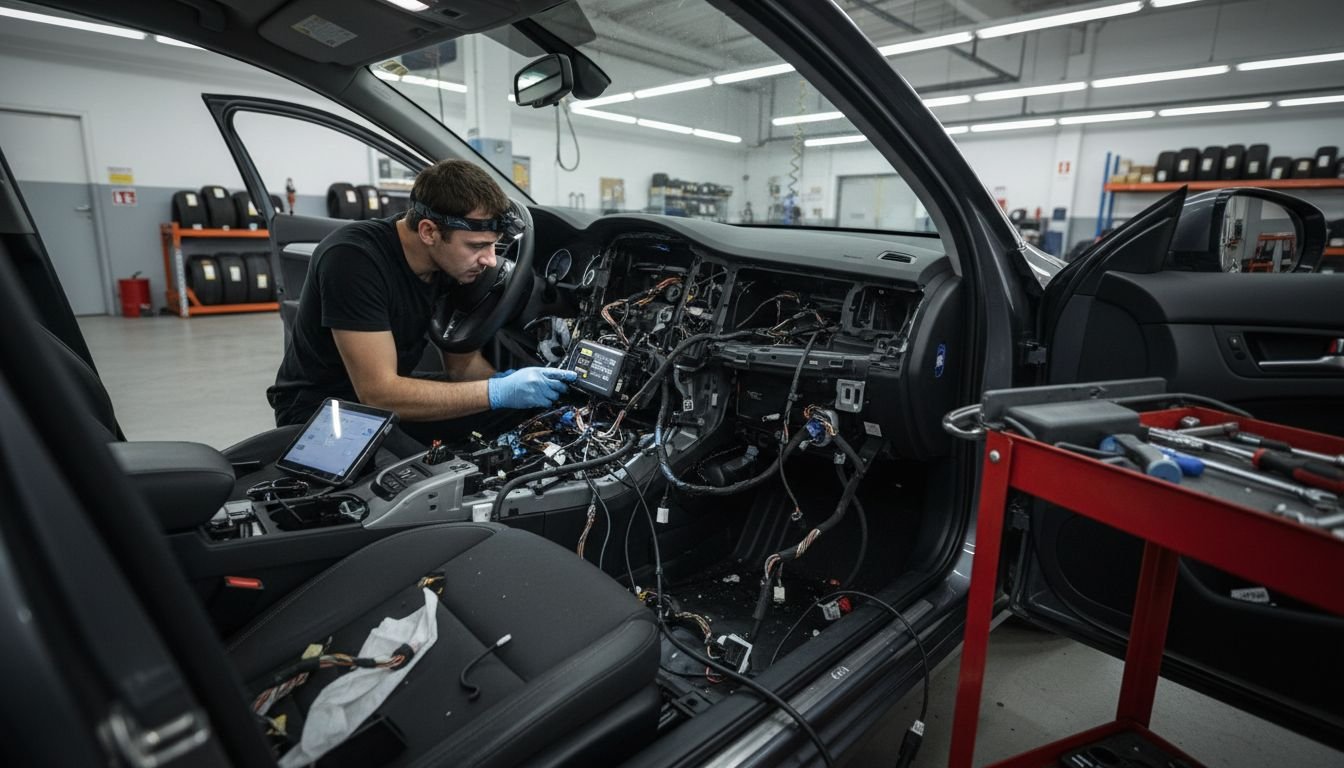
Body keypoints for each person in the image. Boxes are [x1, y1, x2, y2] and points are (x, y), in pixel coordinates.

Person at [267, 158, 574, 451]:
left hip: (386, 396)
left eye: (493, 245)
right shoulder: (352, 258)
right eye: (477, 246)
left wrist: (512, 389)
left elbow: (462, 366)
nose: (490, 260)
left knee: (529, 418)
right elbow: (378, 394)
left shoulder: (453, 265)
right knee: (428, 479)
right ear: (429, 231)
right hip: (323, 410)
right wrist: (497, 393)